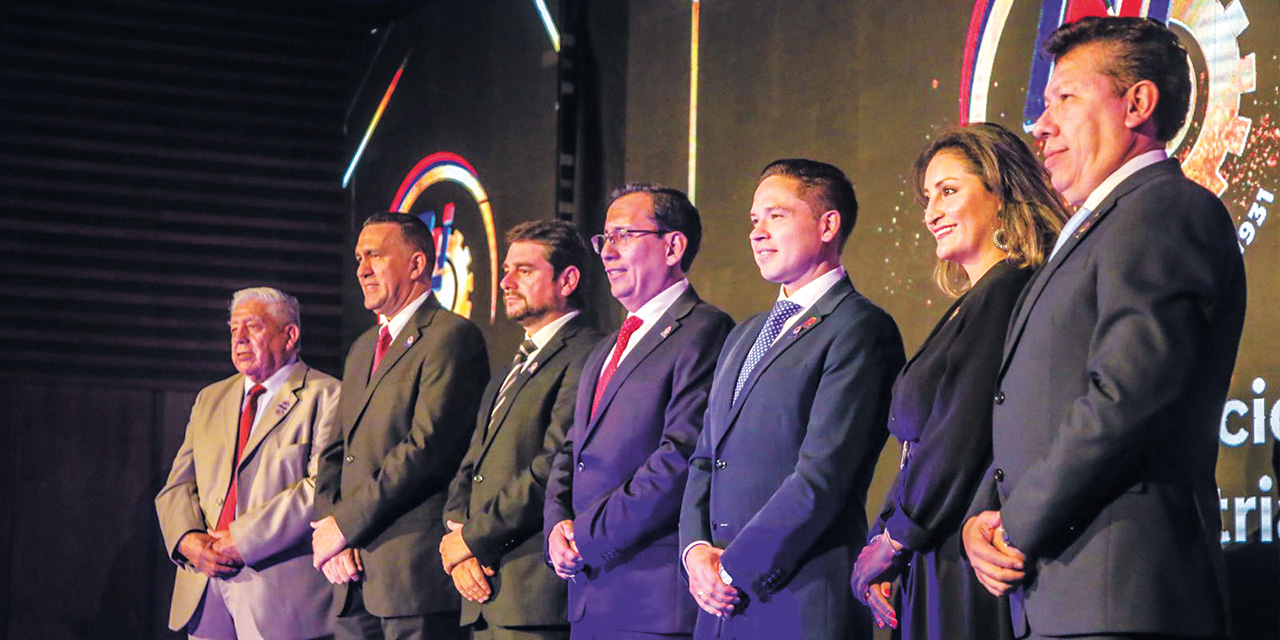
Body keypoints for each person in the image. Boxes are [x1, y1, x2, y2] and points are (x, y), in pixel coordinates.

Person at [961, 17, 1246, 640]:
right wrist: (983, 511)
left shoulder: (1165, 209)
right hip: (1064, 594)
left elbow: (1127, 396)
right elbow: (1042, 402)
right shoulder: (1093, 231)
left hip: (1124, 597)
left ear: (1137, 103)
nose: (1042, 124)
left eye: (1065, 98)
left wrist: (1015, 522)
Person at [849, 123, 1067, 639]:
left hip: (968, 553)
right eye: (928, 197)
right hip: (934, 547)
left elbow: (960, 433)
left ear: (1002, 193)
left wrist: (896, 539)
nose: (931, 213)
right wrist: (887, 535)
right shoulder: (971, 302)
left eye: (949, 191)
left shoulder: (1007, 290)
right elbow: (918, 447)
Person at [679, 159, 905, 640]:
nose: (757, 233)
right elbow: (705, 457)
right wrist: (695, 551)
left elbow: (823, 476)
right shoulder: (744, 335)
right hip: (717, 609)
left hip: (797, 600)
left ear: (828, 225)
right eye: (753, 220)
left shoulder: (860, 328)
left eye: (776, 216)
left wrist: (732, 568)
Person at [543, 183, 734, 639]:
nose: (608, 252)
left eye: (624, 235)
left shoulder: (704, 330)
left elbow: (680, 457)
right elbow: (572, 451)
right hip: (589, 597)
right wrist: (555, 530)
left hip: (650, 600)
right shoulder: (606, 346)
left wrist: (584, 536)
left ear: (673, 246)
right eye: (604, 239)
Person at [313, 212, 489, 640]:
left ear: (416, 264)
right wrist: (332, 526)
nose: (361, 270)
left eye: (373, 255)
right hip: (352, 575)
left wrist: (344, 524)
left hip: (411, 579)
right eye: (358, 258)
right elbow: (336, 450)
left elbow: (426, 449)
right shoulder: (362, 348)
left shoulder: (451, 337)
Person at [441, 220, 603, 640]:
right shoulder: (510, 366)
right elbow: (470, 465)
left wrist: (472, 540)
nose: (507, 282)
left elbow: (551, 467)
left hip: (533, 596)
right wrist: (458, 538)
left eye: (524, 271)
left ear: (568, 279)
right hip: (484, 592)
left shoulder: (588, 354)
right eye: (506, 271)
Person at [156, 287, 339, 640]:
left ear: (290, 335)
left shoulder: (327, 395)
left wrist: (241, 539)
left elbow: (321, 489)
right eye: (233, 329)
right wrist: (188, 541)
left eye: (252, 327)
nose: (239, 338)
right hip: (205, 589)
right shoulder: (210, 398)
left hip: (279, 600)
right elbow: (177, 486)